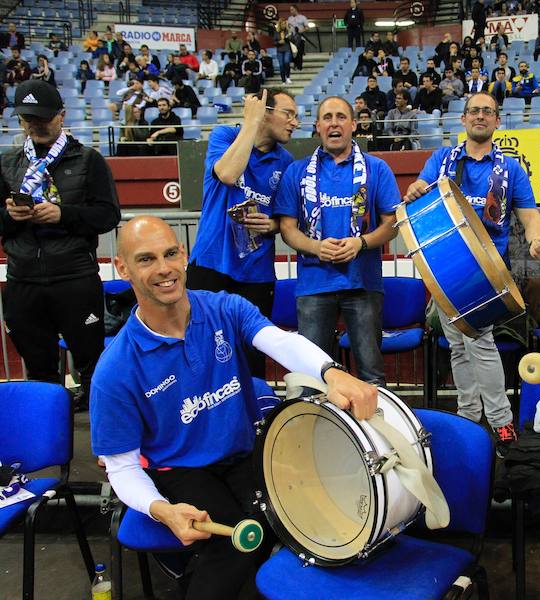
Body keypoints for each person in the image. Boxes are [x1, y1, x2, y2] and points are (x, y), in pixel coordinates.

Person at [90, 216, 377, 600]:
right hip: (178, 469)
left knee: (294, 519)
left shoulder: (224, 308)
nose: (164, 269)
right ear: (122, 268)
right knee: (235, 542)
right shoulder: (115, 370)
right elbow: (122, 468)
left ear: (185, 255)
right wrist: (161, 509)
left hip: (241, 452)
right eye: (146, 259)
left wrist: (331, 372)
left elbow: (279, 341)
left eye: (171, 253)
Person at [403, 92, 540, 455]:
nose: (480, 116)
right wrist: (414, 190)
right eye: (474, 111)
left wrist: (537, 238)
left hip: (485, 272)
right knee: (458, 345)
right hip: (443, 268)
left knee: (479, 343)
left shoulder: (510, 169)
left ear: (498, 121)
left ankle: (499, 422)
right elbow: (414, 194)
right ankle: (470, 416)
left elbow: (528, 214)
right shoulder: (441, 159)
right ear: (464, 119)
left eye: (488, 111)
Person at [0, 80, 121, 411]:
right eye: (28, 119)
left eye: (43, 117)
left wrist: (62, 215)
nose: (36, 124)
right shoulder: (8, 163)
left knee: (93, 365)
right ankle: (45, 445)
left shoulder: (89, 160)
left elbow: (108, 215)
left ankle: (105, 443)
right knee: (39, 371)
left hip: (75, 278)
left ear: (61, 116)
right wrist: (11, 216)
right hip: (23, 280)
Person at [274, 96, 400, 386]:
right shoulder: (297, 171)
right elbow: (288, 229)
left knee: (371, 374)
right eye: (327, 117)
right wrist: (317, 247)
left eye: (341, 117)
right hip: (314, 286)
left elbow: (391, 224)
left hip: (363, 284)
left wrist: (362, 244)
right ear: (317, 126)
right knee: (311, 376)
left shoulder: (376, 169)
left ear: (354, 124)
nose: (334, 123)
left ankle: (375, 432)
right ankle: (314, 431)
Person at [188, 89, 297, 379]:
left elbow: (284, 219)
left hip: (256, 273)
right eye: (289, 114)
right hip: (211, 264)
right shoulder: (224, 135)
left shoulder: (285, 162)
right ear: (265, 113)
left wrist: (271, 226)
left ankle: (254, 420)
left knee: (251, 357)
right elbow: (227, 174)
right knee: (203, 350)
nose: (295, 123)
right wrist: (250, 124)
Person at [274, 17, 293, 84]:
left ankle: (288, 77)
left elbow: (291, 39)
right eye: (282, 24)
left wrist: (288, 30)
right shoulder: (276, 32)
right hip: (279, 50)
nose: (283, 25)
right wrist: (279, 42)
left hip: (287, 49)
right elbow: (274, 42)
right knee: (281, 65)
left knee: (286, 62)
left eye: (284, 24)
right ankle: (283, 80)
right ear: (280, 24)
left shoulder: (288, 31)